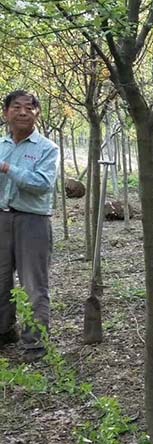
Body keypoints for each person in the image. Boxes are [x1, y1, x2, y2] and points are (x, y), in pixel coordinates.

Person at [0, 90, 59, 361]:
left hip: (32, 221)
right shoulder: (1, 145)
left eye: (29, 107)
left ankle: (34, 343)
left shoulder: (47, 148)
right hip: (1, 218)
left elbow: (42, 184)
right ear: (6, 113)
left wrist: (7, 169)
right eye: (16, 107)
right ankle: (4, 332)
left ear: (37, 113)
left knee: (33, 284)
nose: (22, 112)